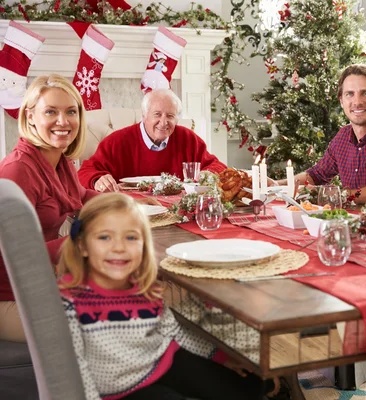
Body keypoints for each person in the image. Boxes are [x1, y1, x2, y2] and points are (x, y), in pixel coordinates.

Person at [57, 193, 283, 400]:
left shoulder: (144, 288)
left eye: (131, 238)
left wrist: (222, 358)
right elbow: (73, 367)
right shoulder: (71, 300)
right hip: (121, 391)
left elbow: (173, 332)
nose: (119, 247)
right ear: (83, 246)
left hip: (161, 361)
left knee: (253, 382)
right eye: (105, 237)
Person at [0, 74, 98, 342]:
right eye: (51, 111)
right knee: (106, 324)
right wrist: (82, 241)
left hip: (42, 281)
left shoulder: (59, 161)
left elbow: (81, 196)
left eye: (71, 111)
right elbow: (19, 256)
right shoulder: (18, 170)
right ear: (30, 116)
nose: (63, 121)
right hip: (10, 295)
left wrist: (126, 204)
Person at [276, 64, 366, 204]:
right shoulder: (343, 136)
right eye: (349, 94)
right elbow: (317, 174)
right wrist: (278, 185)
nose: (357, 102)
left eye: (365, 93)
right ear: (341, 101)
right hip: (349, 220)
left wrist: (336, 194)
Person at [77, 89, 226, 192]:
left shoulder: (187, 138)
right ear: (144, 115)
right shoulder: (117, 141)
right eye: (157, 114)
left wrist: (207, 175)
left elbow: (217, 166)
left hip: (178, 213)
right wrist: (97, 180)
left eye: (170, 116)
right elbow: (85, 172)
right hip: (131, 213)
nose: (163, 122)